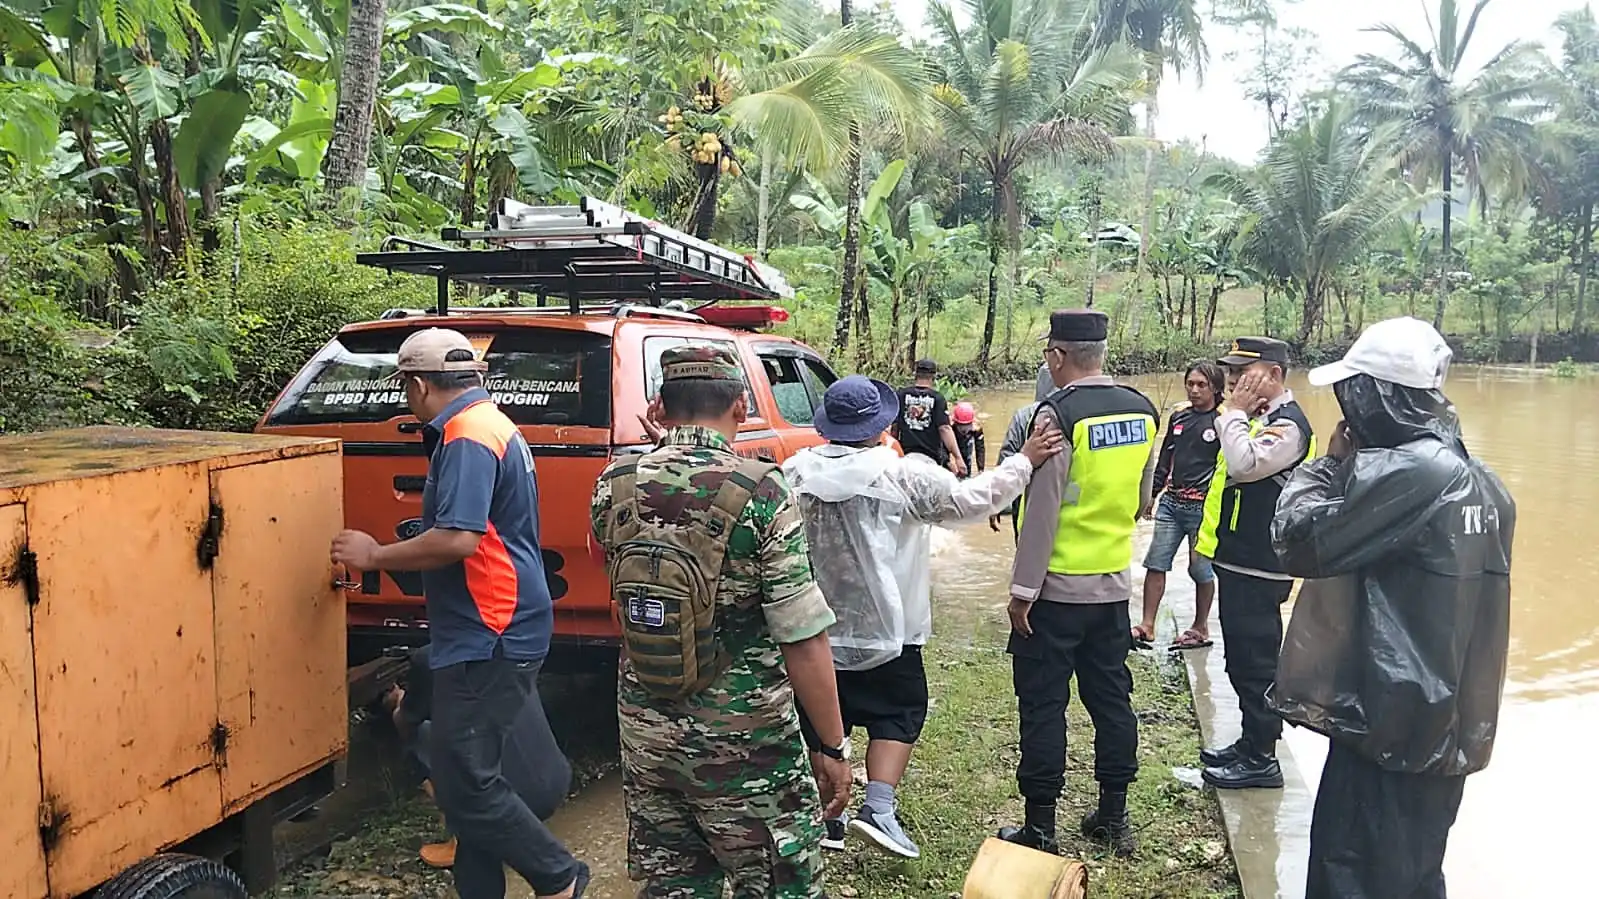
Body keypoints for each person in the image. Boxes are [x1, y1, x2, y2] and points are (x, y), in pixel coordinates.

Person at [330, 328, 588, 899]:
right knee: (471, 775)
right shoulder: (488, 423)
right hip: (494, 623)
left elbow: (457, 539)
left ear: (419, 384)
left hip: (491, 629)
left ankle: (560, 877)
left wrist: (374, 555)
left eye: (405, 389)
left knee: (465, 782)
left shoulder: (467, 435)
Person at [589, 346, 850, 899]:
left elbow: (608, 572)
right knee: (779, 884)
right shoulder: (763, 490)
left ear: (660, 406)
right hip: (747, 748)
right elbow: (802, 635)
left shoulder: (615, 481)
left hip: (648, 737)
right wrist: (832, 746)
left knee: (676, 884)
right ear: (740, 406)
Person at [1271, 318, 1513, 899]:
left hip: (1387, 727)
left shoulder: (1410, 473)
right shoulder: (1482, 480)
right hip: (1441, 732)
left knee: (1349, 874)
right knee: (1414, 874)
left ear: (1376, 396)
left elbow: (1297, 540)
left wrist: (1329, 466)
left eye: (1351, 393)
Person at [784, 376, 1063, 860]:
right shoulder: (902, 475)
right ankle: (878, 807)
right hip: (889, 631)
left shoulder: (793, 474)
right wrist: (1024, 461)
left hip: (815, 630)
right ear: (881, 426)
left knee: (822, 718)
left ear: (826, 426)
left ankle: (829, 817)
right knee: (899, 713)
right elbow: (972, 501)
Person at [998, 309, 1159, 858]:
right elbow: (1141, 501)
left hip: (1056, 593)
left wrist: (1022, 593)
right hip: (1112, 589)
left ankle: (1041, 826)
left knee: (1043, 704)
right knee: (1112, 699)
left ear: (1056, 356)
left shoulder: (1057, 415)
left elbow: (1041, 514)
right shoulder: (1142, 410)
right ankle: (1113, 814)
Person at [1192, 336, 1315, 791]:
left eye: (1244, 373)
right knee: (1241, 659)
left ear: (1275, 374)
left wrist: (1234, 413)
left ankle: (1263, 757)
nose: (1234, 381)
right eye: (1232, 372)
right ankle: (1249, 743)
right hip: (1240, 558)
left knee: (1257, 661)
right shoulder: (1263, 419)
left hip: (1262, 564)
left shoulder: (1288, 426)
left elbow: (1244, 465)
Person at [384, 645, 573, 869]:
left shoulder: (431, 658)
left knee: (418, 734)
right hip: (555, 783)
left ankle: (464, 836)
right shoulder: (507, 640)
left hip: (507, 807)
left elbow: (407, 720)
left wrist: (401, 703)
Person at [1133, 362, 1226, 650]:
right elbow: (1165, 459)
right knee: (1156, 562)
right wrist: (1152, 494)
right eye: (1190, 384)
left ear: (1215, 388)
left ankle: (1200, 626)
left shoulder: (1224, 421)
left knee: (1200, 569)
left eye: (1202, 385)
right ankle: (1147, 625)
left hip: (1203, 508)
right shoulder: (1179, 416)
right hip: (1172, 504)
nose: (1194, 390)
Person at [989, 364, 1057, 537]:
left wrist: (996, 502)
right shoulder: (1078, 411)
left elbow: (1007, 459)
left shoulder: (1025, 416)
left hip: (1027, 504)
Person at [892, 359, 966, 476]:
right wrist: (958, 457)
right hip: (929, 459)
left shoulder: (900, 395)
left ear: (915, 374)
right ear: (933, 376)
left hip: (905, 457)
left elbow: (894, 428)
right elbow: (945, 429)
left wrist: (893, 454)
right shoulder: (937, 398)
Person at [951, 401, 987, 478]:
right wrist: (949, 464)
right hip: (953, 442)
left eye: (967, 426)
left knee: (966, 466)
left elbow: (980, 449)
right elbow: (942, 450)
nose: (964, 429)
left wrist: (981, 470)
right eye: (961, 426)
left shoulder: (976, 429)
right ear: (956, 423)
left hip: (966, 446)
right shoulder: (950, 428)